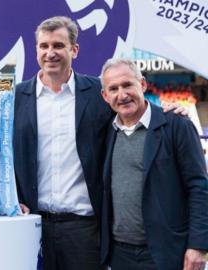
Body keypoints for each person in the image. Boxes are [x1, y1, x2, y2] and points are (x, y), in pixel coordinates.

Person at [13, 16, 111, 270]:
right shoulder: (14, 99)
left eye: (58, 45)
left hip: (85, 230)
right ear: (36, 50)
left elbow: (131, 113)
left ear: (74, 50)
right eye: (44, 46)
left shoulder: (99, 93)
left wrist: (168, 112)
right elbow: (2, 155)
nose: (50, 53)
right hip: (31, 226)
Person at [100, 58, 208, 270]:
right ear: (105, 96)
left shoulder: (177, 125)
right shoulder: (106, 132)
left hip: (165, 253)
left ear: (142, 84)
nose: (122, 95)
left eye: (127, 85)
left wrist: (198, 245)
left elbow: (199, 188)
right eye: (113, 89)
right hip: (120, 255)